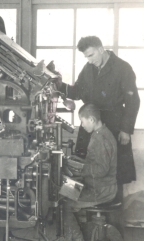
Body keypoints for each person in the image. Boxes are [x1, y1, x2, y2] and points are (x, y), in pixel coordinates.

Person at [58, 36, 140, 193]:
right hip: (90, 121)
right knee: (82, 164)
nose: (89, 60)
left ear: (101, 49)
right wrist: (60, 86)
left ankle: (113, 210)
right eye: (86, 57)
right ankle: (81, 208)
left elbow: (133, 101)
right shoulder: (88, 68)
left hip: (115, 123)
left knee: (116, 172)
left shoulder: (123, 68)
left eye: (91, 55)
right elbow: (77, 91)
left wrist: (126, 129)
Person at [63, 103, 118, 241]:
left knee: (63, 202)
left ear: (92, 120)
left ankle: (77, 238)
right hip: (98, 186)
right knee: (63, 191)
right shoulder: (101, 133)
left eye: (82, 121)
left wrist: (80, 168)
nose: (82, 125)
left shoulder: (100, 139)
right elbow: (96, 162)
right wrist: (77, 161)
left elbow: (101, 170)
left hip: (101, 190)